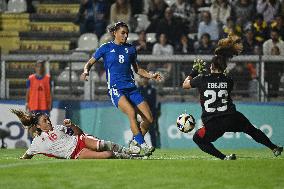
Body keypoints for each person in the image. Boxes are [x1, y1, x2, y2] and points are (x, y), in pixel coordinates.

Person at [182, 34, 283, 160]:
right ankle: (274, 148)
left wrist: (194, 72)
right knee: (252, 130)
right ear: (224, 67)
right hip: (231, 117)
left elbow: (185, 85)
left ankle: (224, 157)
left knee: (198, 138)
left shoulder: (202, 79)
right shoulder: (229, 80)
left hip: (213, 123)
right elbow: (221, 80)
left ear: (212, 66)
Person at [81, 22, 162, 156]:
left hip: (131, 88)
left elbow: (137, 70)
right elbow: (89, 63)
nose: (125, 35)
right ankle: (143, 145)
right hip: (116, 89)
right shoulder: (105, 48)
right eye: (123, 32)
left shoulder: (130, 49)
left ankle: (134, 144)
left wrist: (151, 75)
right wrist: (85, 72)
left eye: (127, 33)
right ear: (115, 33)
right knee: (131, 112)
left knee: (149, 119)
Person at [11, 109, 134, 160]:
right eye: (45, 120)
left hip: (80, 140)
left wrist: (72, 125)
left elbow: (79, 133)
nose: (48, 121)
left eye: (48, 118)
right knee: (107, 154)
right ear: (38, 126)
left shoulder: (58, 128)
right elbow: (26, 156)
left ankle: (130, 152)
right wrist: (21, 159)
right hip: (75, 153)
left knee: (104, 144)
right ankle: (130, 156)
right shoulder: (37, 143)